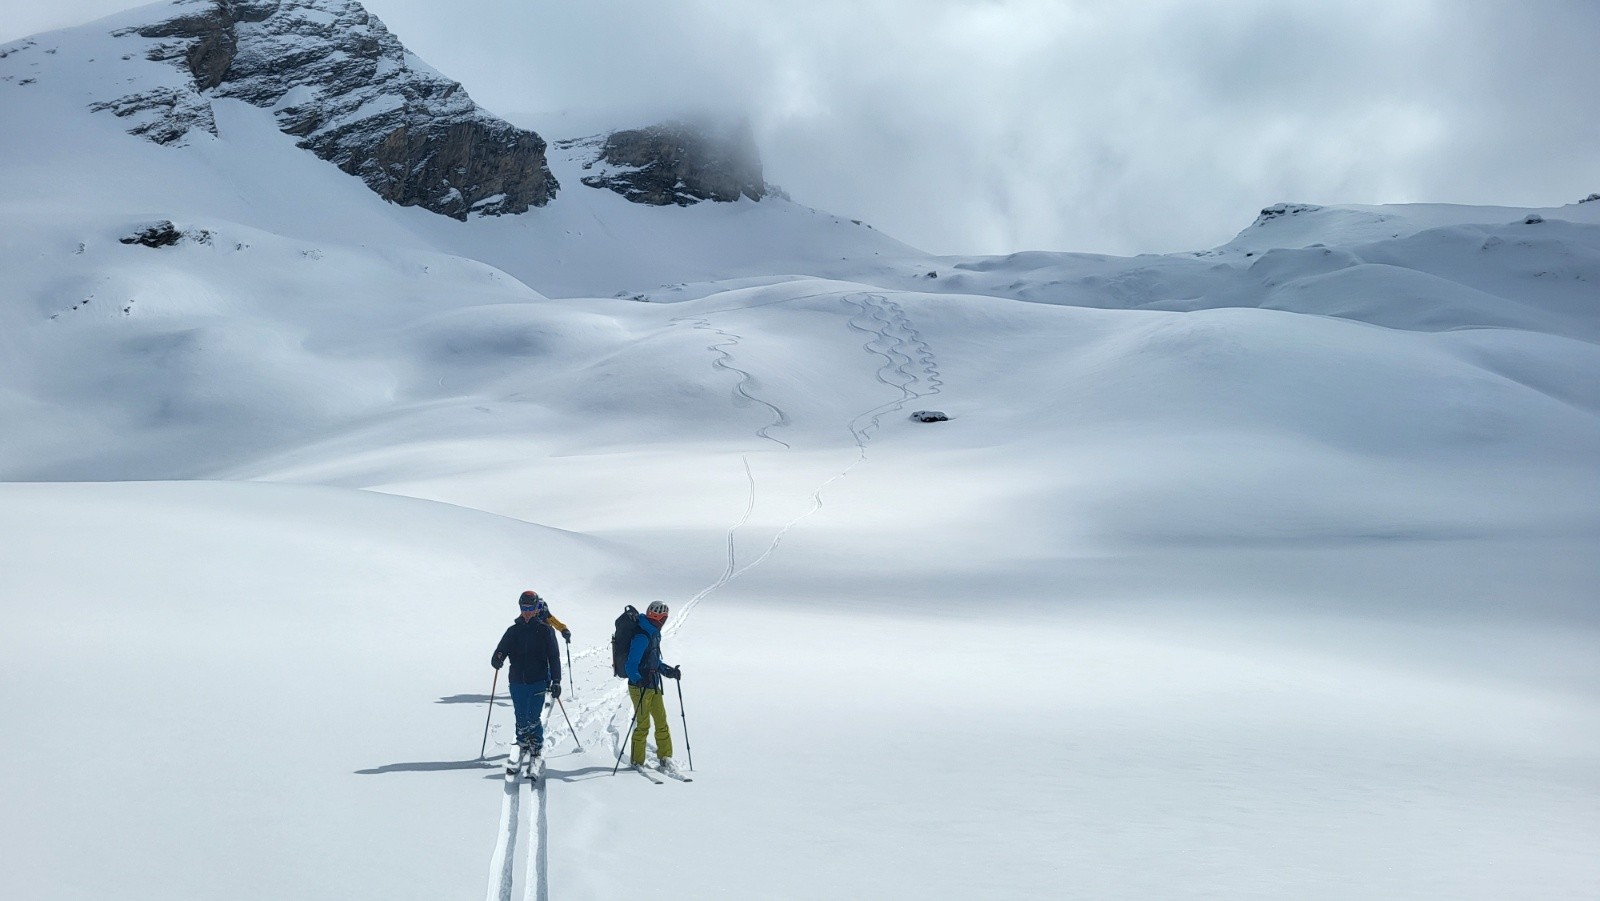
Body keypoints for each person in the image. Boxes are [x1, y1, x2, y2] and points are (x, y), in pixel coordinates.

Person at [491, 590, 562, 756]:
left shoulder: (546, 631)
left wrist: (556, 680)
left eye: (530, 607)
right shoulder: (513, 631)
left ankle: (536, 743)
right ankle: (522, 740)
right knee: (521, 715)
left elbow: (554, 657)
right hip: (516, 680)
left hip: (538, 680)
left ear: (537, 608)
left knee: (533, 716)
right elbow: (501, 649)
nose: (527, 611)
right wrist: (497, 658)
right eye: (524, 607)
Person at [624, 600, 683, 775]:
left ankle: (665, 756)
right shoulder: (642, 636)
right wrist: (638, 679)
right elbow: (630, 665)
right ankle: (637, 761)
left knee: (661, 721)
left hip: (653, 685)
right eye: (664, 618)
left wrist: (668, 671)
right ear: (659, 618)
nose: (664, 622)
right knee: (643, 725)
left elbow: (654, 661)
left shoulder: (653, 634)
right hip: (639, 687)